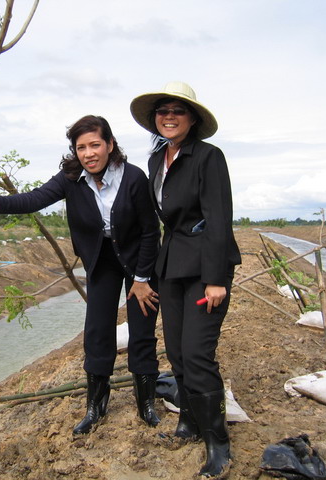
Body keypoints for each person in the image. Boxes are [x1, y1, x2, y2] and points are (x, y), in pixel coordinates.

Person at [0, 114, 162, 434]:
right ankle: (96, 406)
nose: (89, 153)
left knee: (142, 328)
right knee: (97, 332)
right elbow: (35, 198)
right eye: (81, 147)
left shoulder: (134, 178)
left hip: (140, 259)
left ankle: (146, 404)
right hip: (101, 259)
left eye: (95, 144)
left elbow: (151, 232)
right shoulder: (70, 178)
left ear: (110, 145)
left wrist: (141, 280)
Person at [130, 82, 241, 479]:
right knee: (176, 351)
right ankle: (190, 421)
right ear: (155, 119)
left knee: (197, 353)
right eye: (163, 110)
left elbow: (218, 217)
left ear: (192, 118)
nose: (169, 116)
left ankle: (218, 443)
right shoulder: (156, 160)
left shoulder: (208, 157)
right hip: (171, 265)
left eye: (178, 110)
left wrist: (215, 279)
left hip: (205, 268)